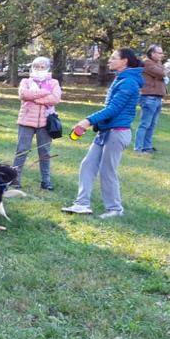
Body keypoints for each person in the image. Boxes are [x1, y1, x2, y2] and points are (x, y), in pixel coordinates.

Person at [62, 47, 144, 219]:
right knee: (87, 165)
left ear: (124, 61)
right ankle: (82, 204)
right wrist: (96, 123)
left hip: (117, 133)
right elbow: (110, 110)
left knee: (108, 171)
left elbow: (113, 109)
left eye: (114, 58)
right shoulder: (121, 79)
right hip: (106, 132)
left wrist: (87, 121)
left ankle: (115, 209)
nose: (109, 61)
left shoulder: (129, 82)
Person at [12, 56, 62, 190]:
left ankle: (46, 181)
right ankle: (14, 179)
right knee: (22, 150)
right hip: (26, 121)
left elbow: (55, 98)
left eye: (42, 66)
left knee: (45, 152)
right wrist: (44, 93)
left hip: (46, 123)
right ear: (32, 67)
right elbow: (23, 95)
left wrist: (36, 98)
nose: (39, 69)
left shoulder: (54, 82)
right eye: (37, 66)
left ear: (47, 68)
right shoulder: (26, 81)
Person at [134, 44, 167, 154]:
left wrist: (162, 69)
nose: (162, 55)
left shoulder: (157, 63)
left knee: (152, 124)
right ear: (152, 53)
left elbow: (163, 73)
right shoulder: (147, 62)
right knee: (145, 124)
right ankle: (138, 148)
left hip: (157, 97)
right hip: (149, 97)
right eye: (159, 53)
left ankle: (147, 147)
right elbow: (162, 73)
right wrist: (163, 70)